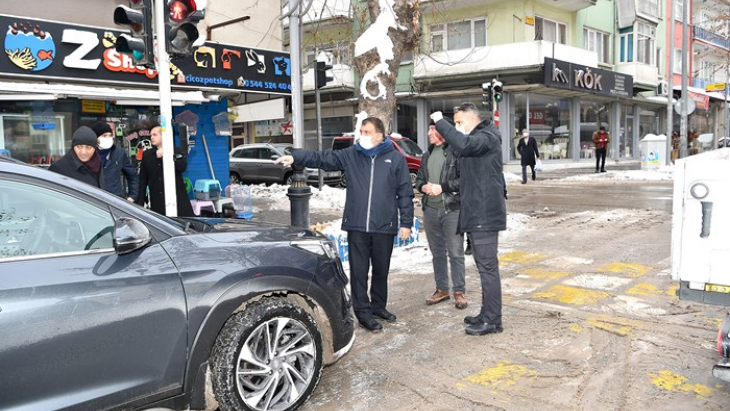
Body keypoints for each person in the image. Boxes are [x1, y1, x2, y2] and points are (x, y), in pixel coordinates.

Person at [275, 116, 414, 333]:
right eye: (361, 131)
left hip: (383, 225)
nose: (362, 136)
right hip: (357, 224)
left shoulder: (395, 159)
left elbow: (405, 193)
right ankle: (364, 313)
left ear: (379, 135)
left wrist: (406, 222)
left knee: (381, 270)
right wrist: (295, 157)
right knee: (359, 272)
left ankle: (378, 307)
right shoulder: (352, 155)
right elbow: (322, 157)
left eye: (367, 132)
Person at [430, 102, 506, 336]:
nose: (457, 127)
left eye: (459, 122)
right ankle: (487, 313)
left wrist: (440, 122)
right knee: (485, 268)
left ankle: (493, 321)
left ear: (472, 120)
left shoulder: (486, 137)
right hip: (477, 212)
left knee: (488, 268)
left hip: (484, 213)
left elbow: (462, 143)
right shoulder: (479, 140)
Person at [415, 118, 467, 309]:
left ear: (443, 131)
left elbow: (464, 181)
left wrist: (441, 187)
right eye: (428, 129)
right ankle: (442, 289)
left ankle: (459, 292)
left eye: (432, 129)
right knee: (437, 253)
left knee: (455, 252)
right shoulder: (427, 154)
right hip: (430, 210)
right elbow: (419, 179)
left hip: (452, 209)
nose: (428, 133)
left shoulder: (456, 152)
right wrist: (423, 186)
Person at [135, 125, 195, 217]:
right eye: (151, 135)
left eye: (155, 135)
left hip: (178, 201)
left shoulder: (175, 150)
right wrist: (139, 204)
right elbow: (143, 181)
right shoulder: (147, 155)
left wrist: (167, 155)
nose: (152, 137)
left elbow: (182, 167)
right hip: (158, 203)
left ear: (163, 136)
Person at [91, 121, 138, 202]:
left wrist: (131, 197)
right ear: (96, 138)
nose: (108, 138)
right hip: (94, 201)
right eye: (104, 136)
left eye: (110, 135)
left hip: (115, 201)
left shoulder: (119, 153)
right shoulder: (89, 153)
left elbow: (132, 176)